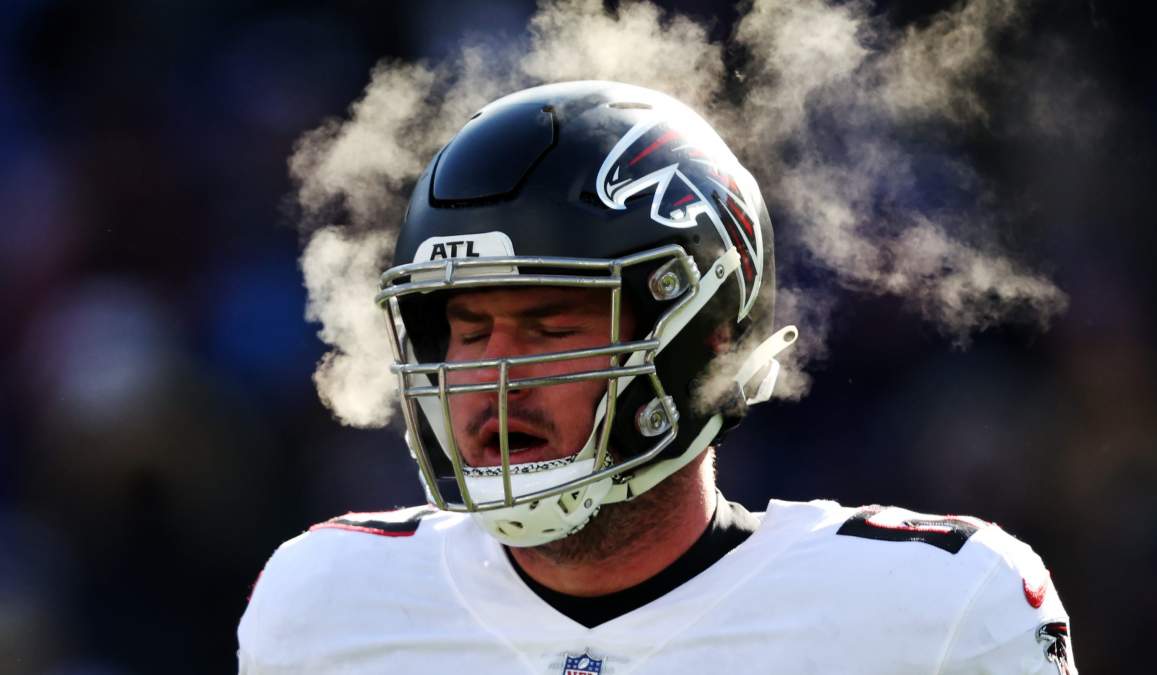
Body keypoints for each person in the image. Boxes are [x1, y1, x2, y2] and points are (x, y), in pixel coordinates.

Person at [237, 81, 1076, 674]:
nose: (494, 376)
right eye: (468, 329)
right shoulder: (326, 605)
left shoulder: (936, 610)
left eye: (549, 328)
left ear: (704, 343)